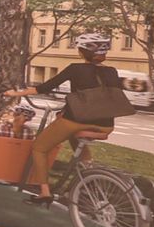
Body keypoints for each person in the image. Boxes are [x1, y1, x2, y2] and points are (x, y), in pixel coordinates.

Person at [19, 35, 132, 204]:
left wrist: (16, 93)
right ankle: (89, 177)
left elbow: (45, 87)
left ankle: (44, 192)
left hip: (78, 121)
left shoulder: (75, 68)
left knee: (39, 148)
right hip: (106, 126)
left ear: (81, 52)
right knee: (73, 136)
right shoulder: (112, 71)